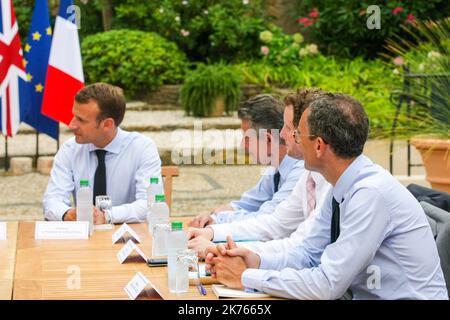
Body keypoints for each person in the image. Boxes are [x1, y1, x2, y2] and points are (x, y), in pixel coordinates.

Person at [205, 92, 448, 300]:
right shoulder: (343, 185)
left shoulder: (369, 194)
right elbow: (309, 253)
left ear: (319, 146)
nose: (290, 140)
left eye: (298, 134)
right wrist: (254, 260)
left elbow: (328, 284)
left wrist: (245, 276)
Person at [188, 89, 331, 258]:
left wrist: (219, 246)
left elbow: (298, 246)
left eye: (289, 129)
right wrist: (213, 229)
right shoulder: (307, 174)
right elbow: (272, 222)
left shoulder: (311, 174)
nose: (283, 135)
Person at [43, 83, 162, 224]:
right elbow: (52, 198)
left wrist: (107, 216)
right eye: (74, 116)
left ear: (107, 124)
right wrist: (67, 214)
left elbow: (150, 204)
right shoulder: (70, 149)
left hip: (128, 238)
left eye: (81, 120)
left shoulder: (142, 148)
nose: (71, 125)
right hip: (82, 239)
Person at [189, 94, 304, 228]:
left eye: (247, 138)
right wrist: (211, 215)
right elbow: (248, 203)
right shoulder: (275, 169)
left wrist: (217, 220)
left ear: (267, 139)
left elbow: (267, 218)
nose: (243, 145)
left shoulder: (300, 171)